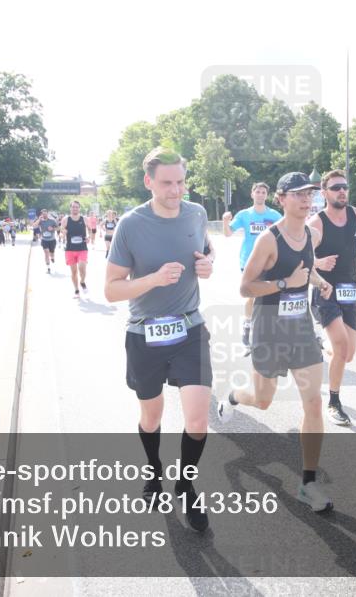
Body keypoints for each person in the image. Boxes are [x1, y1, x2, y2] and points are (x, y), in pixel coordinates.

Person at [103, 146, 216, 533]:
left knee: (198, 419)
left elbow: (205, 254)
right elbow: (111, 290)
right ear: (149, 181)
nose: (176, 190)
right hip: (145, 332)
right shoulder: (131, 225)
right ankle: (154, 469)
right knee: (151, 417)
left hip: (189, 327)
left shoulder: (197, 213)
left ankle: (185, 483)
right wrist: (152, 279)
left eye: (181, 181)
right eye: (167, 183)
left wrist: (207, 266)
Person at [218, 172, 337, 513]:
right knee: (264, 400)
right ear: (281, 199)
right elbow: (246, 287)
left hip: (300, 326)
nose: (306, 199)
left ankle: (308, 483)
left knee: (314, 402)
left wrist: (319, 281)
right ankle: (234, 396)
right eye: (298, 194)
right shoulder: (269, 240)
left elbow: (307, 268)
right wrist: (286, 283)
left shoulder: (311, 235)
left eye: (310, 194)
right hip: (268, 326)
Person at [307, 170, 356, 426]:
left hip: (350, 288)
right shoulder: (317, 223)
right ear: (324, 193)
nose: (342, 191)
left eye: (344, 186)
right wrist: (318, 261)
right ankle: (334, 401)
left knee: (348, 354)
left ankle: (321, 344)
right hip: (325, 289)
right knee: (341, 346)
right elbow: (301, 259)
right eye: (336, 187)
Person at [222, 182, 283, 351]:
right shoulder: (244, 214)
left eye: (264, 192)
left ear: (266, 195)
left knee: (270, 296)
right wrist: (225, 221)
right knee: (252, 296)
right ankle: (247, 325)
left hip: (269, 262)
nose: (260, 194)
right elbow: (227, 234)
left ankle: (268, 332)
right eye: (258, 191)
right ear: (252, 194)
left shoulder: (275, 215)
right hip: (248, 262)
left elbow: (285, 234)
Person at [60, 200, 90, 297]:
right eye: (73, 207)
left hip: (82, 248)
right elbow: (61, 231)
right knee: (73, 272)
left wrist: (89, 236)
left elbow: (90, 229)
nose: (75, 208)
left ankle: (82, 281)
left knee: (82, 268)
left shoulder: (84, 219)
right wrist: (62, 234)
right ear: (70, 208)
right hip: (70, 249)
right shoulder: (65, 219)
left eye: (77, 207)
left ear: (79, 208)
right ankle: (76, 290)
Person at [30, 209, 58, 274]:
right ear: (41, 214)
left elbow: (58, 228)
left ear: (47, 213)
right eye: (43, 214)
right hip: (44, 240)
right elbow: (34, 226)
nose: (44, 215)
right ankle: (48, 268)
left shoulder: (52, 221)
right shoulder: (40, 221)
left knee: (52, 253)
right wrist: (39, 219)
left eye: (45, 213)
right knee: (46, 253)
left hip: (52, 240)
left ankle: (52, 257)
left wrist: (53, 228)